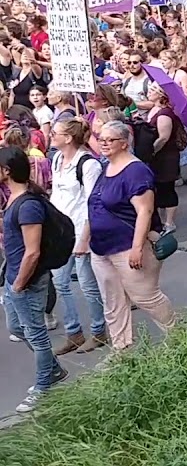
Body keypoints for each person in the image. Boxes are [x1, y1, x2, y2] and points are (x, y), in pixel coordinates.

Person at [87, 120, 177, 351]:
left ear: (125, 143)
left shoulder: (136, 171)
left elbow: (145, 211)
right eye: (101, 139)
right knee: (113, 302)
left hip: (128, 245)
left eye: (110, 140)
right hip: (101, 247)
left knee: (145, 296)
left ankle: (179, 337)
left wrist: (137, 247)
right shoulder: (106, 167)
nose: (104, 144)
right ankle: (121, 350)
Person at [1, 146, 69, 413]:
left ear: (7, 171)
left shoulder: (28, 206)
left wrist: (18, 285)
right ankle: (52, 370)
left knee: (37, 335)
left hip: (26, 280)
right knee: (17, 328)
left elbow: (32, 252)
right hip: (14, 278)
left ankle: (44, 386)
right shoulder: (14, 199)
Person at [48, 118, 107, 356]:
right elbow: (56, 194)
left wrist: (85, 237)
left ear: (68, 137)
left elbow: (94, 203)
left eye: (56, 132)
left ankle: (98, 330)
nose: (51, 135)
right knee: (61, 282)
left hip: (80, 229)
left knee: (87, 285)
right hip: (60, 231)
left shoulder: (88, 164)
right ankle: (74, 332)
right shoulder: (56, 159)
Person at [145, 83, 183, 233]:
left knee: (167, 188)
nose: (149, 92)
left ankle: (169, 222)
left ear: (161, 95)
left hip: (166, 157)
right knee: (159, 188)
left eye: (153, 90)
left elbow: (163, 138)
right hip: (157, 157)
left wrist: (151, 151)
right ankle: (161, 220)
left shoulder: (165, 114)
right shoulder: (154, 109)